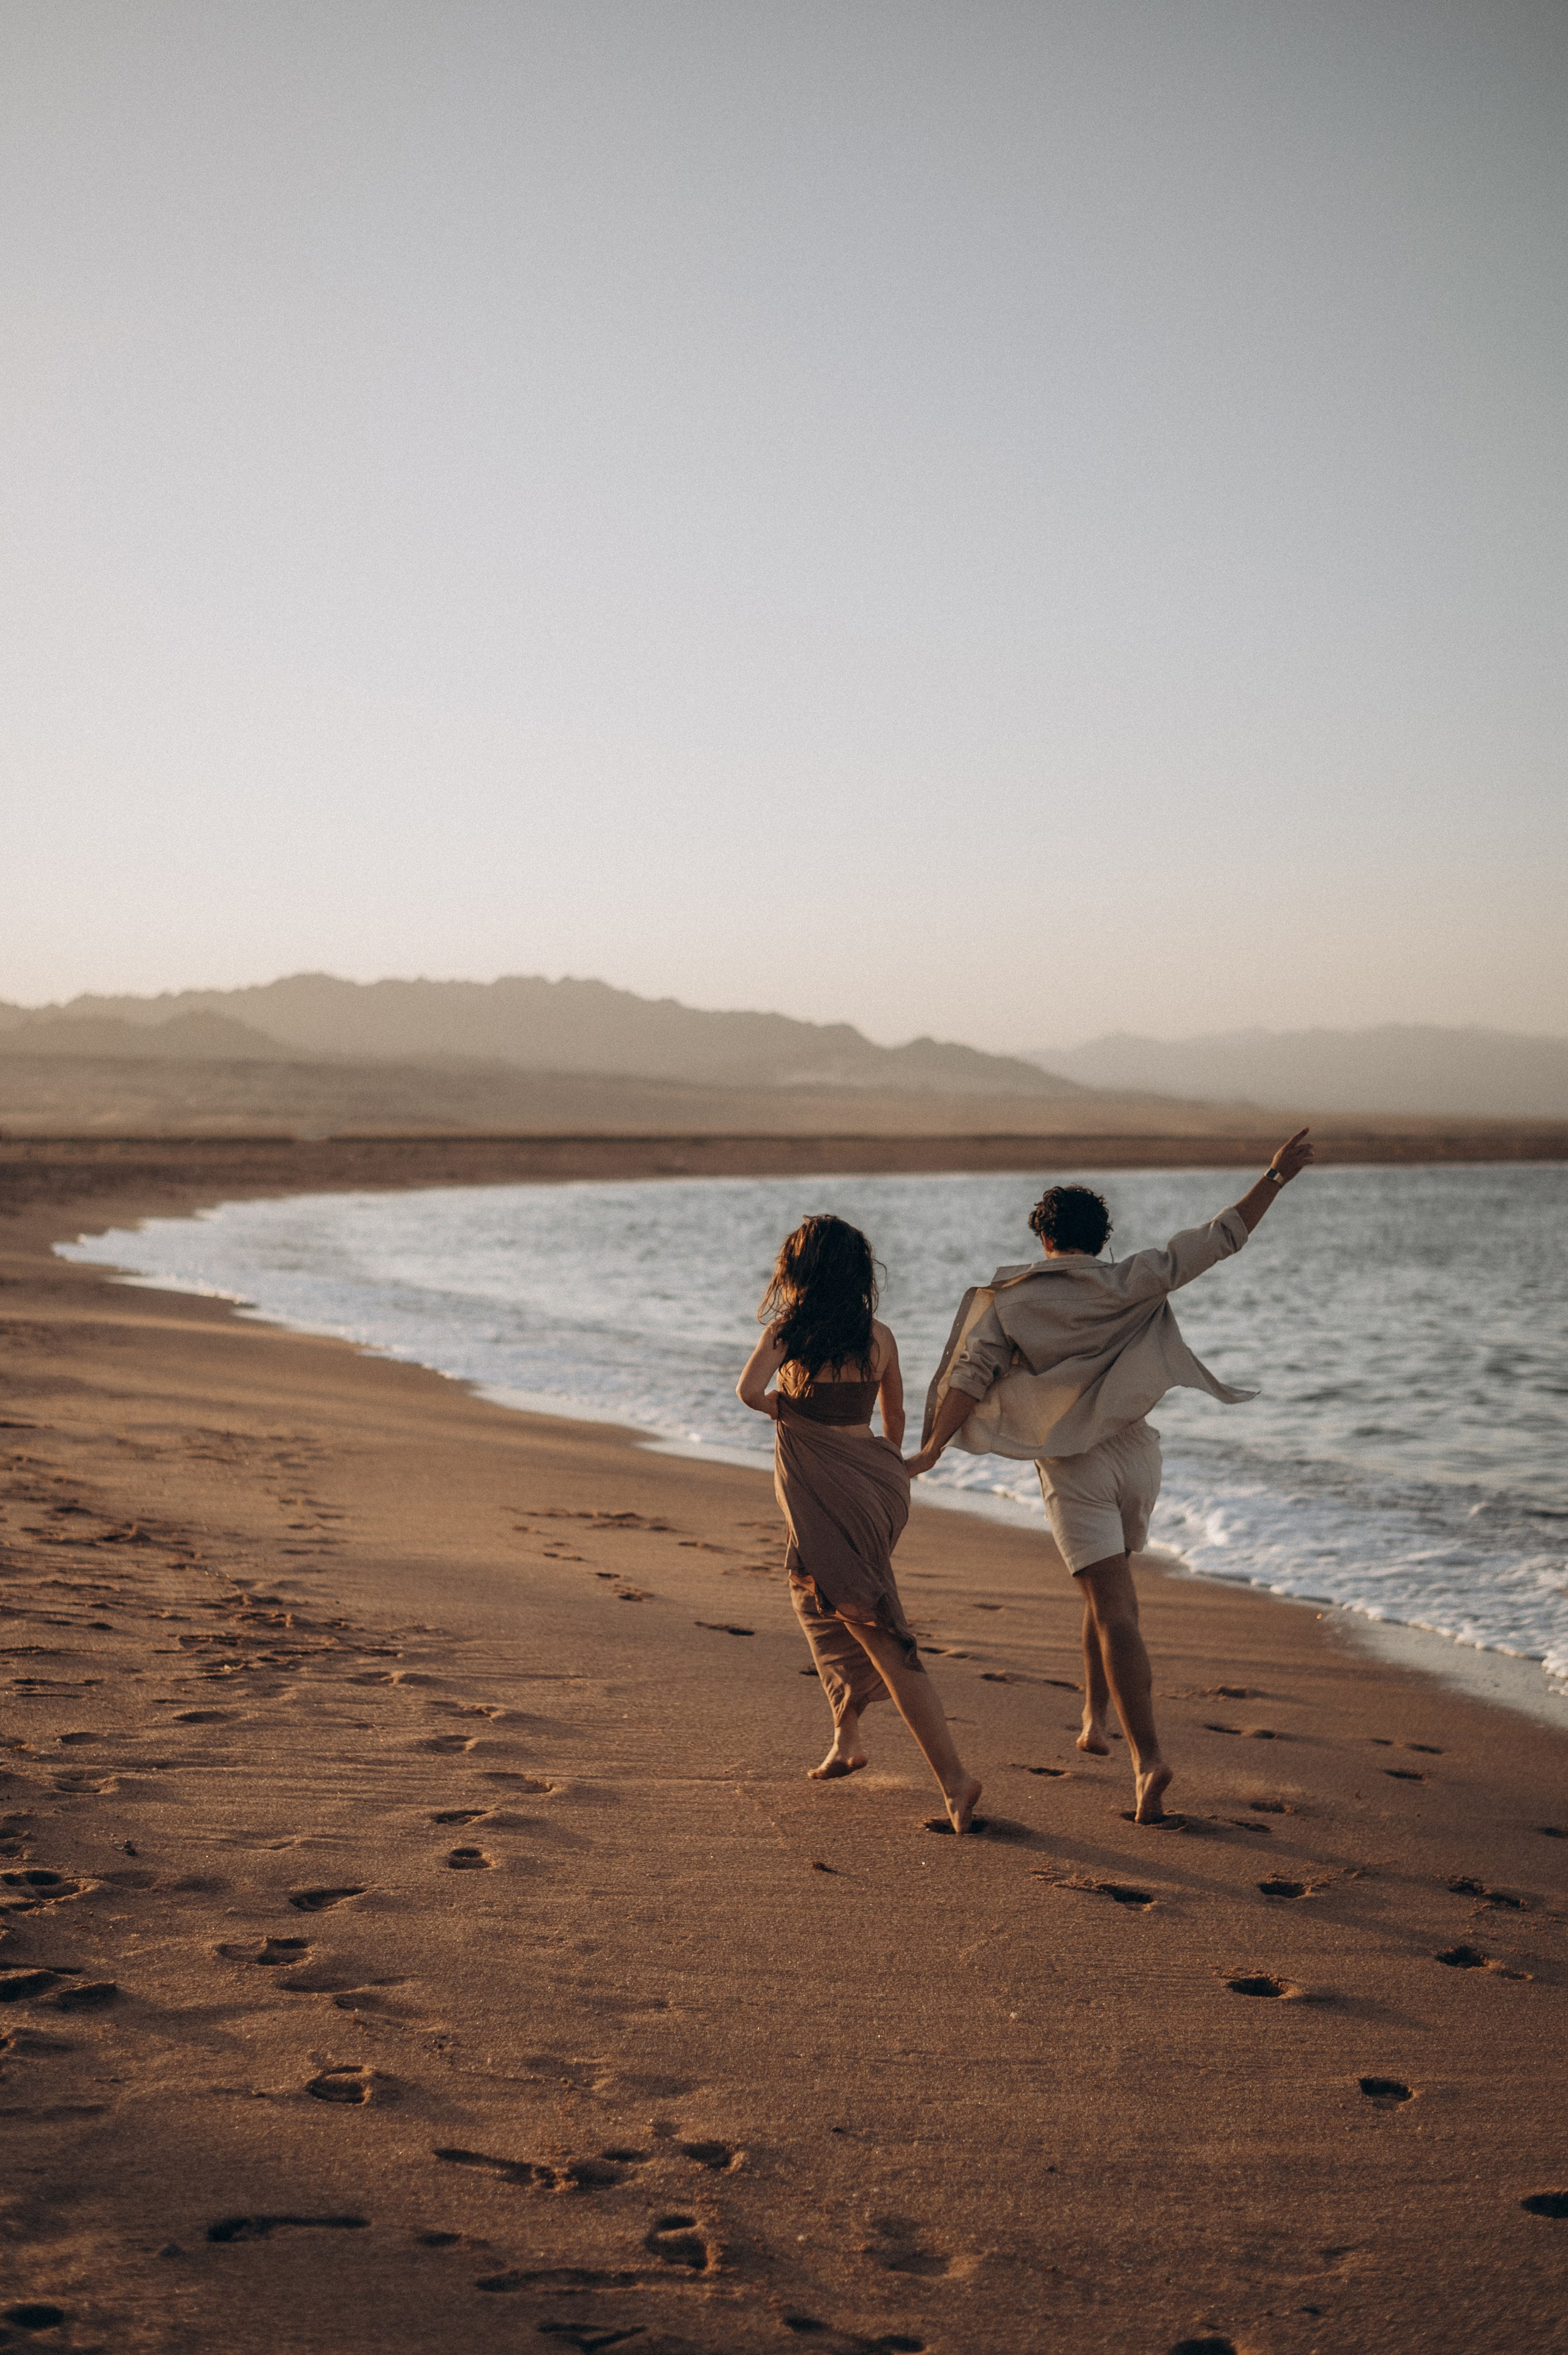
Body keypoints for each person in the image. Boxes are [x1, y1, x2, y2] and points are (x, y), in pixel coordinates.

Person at [905, 1132, 1314, 1825]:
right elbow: (1221, 1237)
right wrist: (1275, 1175)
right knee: (1104, 1591)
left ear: (1042, 1238)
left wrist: (933, 1449)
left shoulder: (1010, 1302)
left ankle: (1147, 1757)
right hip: (1137, 1458)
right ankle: (1093, 1716)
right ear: (1102, 1239)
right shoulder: (1133, 1279)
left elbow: (967, 1380)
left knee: (1116, 1608)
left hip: (1075, 1468)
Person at [738, 1213, 983, 1834]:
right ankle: (846, 1735)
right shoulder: (881, 1336)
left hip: (827, 1485)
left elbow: (748, 1390)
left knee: (876, 1626)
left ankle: (954, 1779)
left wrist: (785, 1411)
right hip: (877, 1483)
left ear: (799, 1272)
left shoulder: (788, 1331)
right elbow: (895, 1414)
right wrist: (885, 1466)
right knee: (810, 1589)